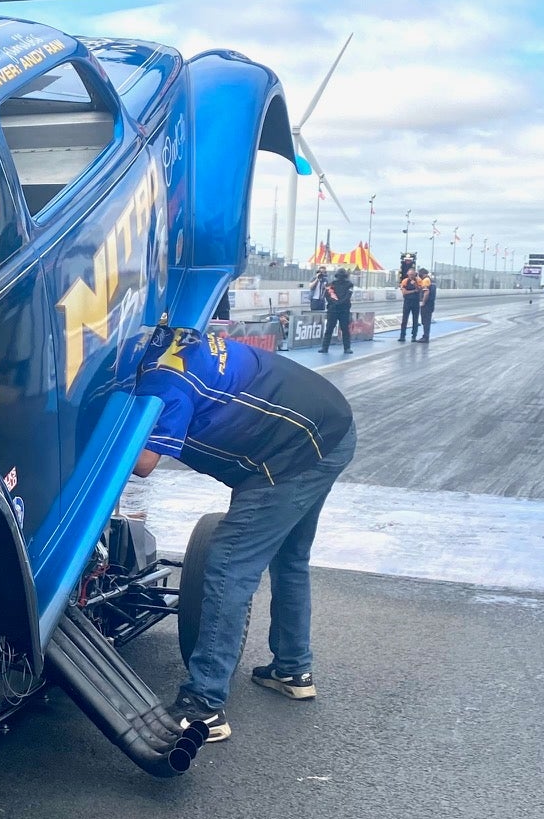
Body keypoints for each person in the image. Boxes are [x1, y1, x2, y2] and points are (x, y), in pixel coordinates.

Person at [133, 326, 357, 741]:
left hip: (293, 450)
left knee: (227, 562)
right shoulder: (173, 336)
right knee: (289, 558)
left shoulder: (164, 384)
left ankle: (204, 707)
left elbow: (144, 462)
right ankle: (292, 669)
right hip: (328, 425)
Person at [318, 266, 354, 355]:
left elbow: (348, 296)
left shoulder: (349, 285)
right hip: (335, 309)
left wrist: (336, 303)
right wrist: (337, 303)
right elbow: (328, 295)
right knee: (330, 328)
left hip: (342, 309)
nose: (340, 277)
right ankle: (325, 347)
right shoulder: (330, 285)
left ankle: (347, 348)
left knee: (344, 329)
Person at [398, 266, 424, 342]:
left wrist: (415, 285)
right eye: (410, 275)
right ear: (407, 274)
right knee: (404, 319)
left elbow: (420, 290)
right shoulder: (405, 281)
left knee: (415, 320)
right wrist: (413, 291)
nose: (411, 276)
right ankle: (402, 336)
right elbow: (404, 292)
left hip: (415, 302)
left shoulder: (418, 280)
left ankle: (414, 336)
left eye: (412, 274)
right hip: (407, 302)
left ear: (415, 274)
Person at [417, 269, 436, 340]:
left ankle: (425, 336)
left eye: (420, 274)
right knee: (427, 321)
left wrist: (423, 302)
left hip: (427, 304)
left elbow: (426, 293)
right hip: (431, 303)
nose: (419, 276)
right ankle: (426, 336)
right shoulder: (432, 281)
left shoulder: (425, 281)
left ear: (423, 274)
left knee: (425, 321)